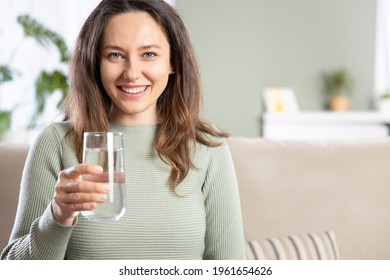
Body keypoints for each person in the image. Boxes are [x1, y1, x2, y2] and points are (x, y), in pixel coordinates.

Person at [1, 0, 245, 260]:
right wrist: (58, 215)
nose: (131, 73)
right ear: (95, 63)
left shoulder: (206, 146)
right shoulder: (56, 142)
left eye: (149, 54)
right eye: (115, 55)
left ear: (173, 62)